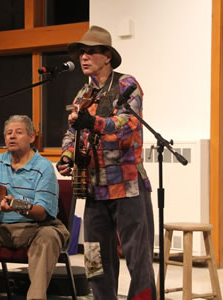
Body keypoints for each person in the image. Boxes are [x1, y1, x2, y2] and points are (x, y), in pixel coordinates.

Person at [57, 26, 156, 300]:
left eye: (90, 52)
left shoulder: (127, 84)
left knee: (138, 255)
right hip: (94, 187)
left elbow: (128, 124)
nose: (83, 58)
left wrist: (95, 122)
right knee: (94, 256)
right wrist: (67, 155)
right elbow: (71, 133)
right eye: (81, 53)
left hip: (127, 185)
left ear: (108, 56)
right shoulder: (82, 95)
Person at [0, 115, 70, 300]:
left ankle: (35, 298)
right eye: (8, 133)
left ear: (32, 137)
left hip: (34, 228)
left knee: (49, 236)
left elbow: (42, 213)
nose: (12, 137)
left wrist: (16, 206)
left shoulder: (43, 168)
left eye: (18, 132)